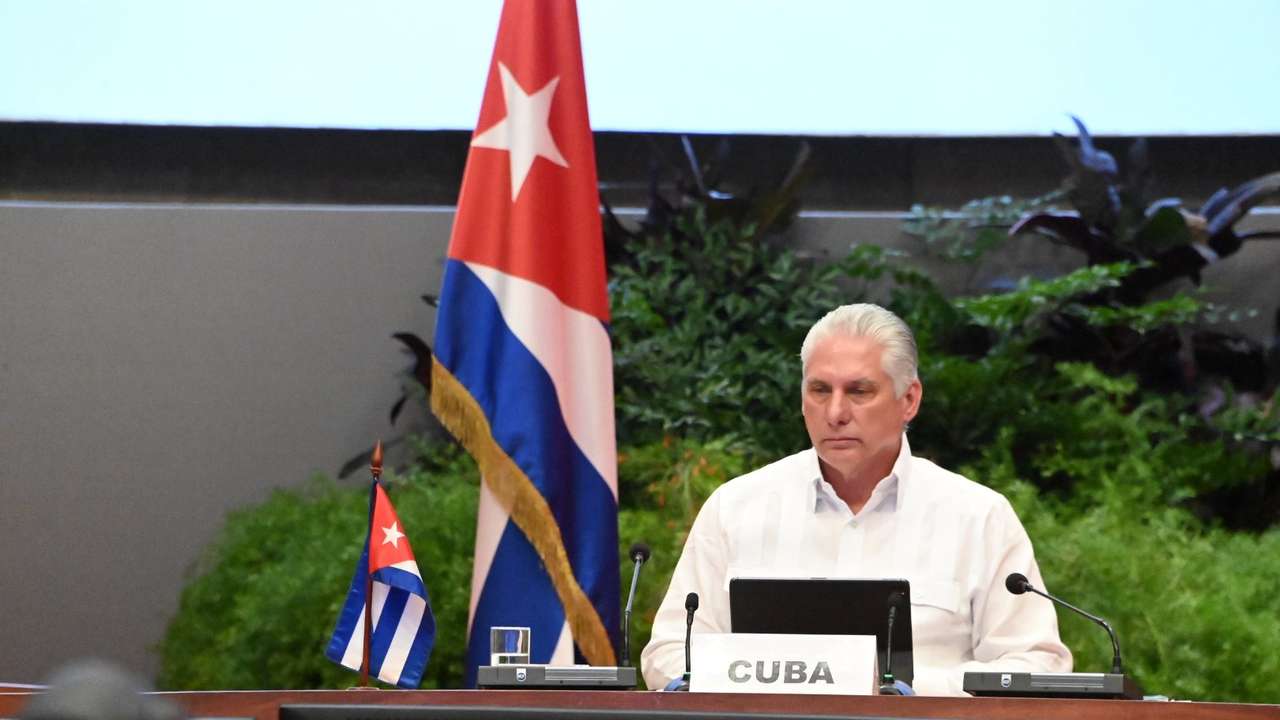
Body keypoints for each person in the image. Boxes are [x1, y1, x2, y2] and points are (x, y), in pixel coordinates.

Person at [639, 303, 1071, 695]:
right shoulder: (736, 508)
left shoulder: (977, 517)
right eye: (820, 391)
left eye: (859, 392)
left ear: (909, 400)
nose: (835, 413)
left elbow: (1036, 664)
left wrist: (899, 689)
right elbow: (670, 652)